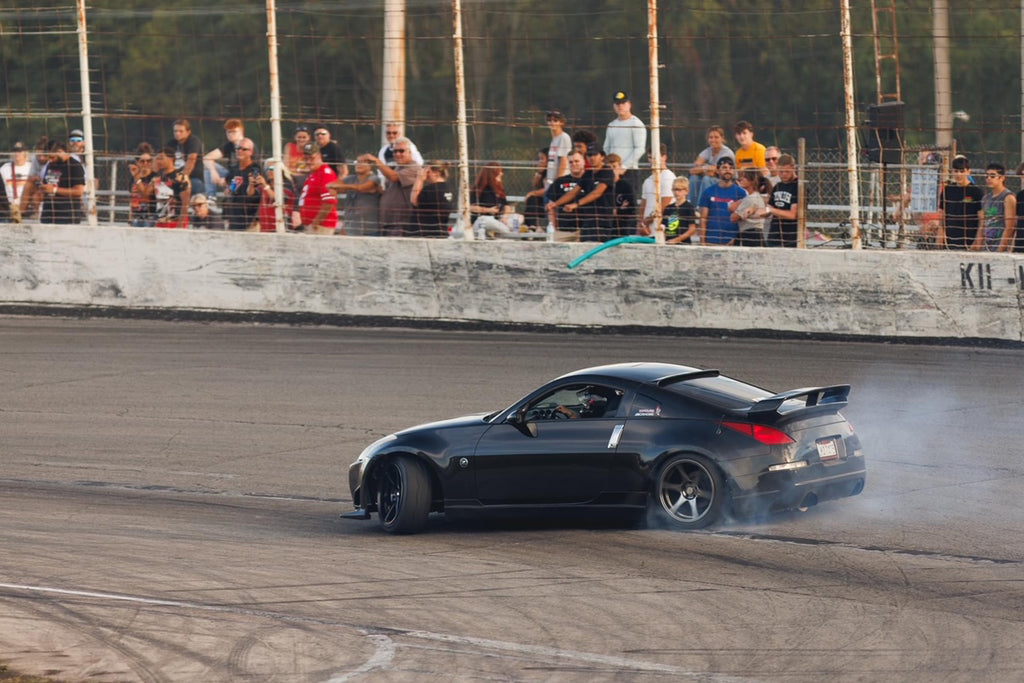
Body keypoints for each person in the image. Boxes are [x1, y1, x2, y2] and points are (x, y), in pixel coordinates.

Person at [559, 144, 614, 242]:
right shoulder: (587, 174)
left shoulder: (607, 171)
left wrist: (576, 204)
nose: (591, 158)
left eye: (594, 155)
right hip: (588, 219)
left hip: (602, 219)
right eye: (589, 155)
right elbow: (574, 191)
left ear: (602, 156)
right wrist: (555, 204)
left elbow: (597, 192)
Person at [371, 137, 420, 237]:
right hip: (387, 222)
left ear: (410, 153)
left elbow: (394, 177)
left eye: (401, 151)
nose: (397, 154)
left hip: (401, 223)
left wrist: (376, 161)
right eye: (395, 151)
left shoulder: (414, 168)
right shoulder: (397, 168)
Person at [938, 155, 984, 250]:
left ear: (968, 172)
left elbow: (981, 220)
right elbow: (942, 215)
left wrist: (977, 241)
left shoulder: (975, 191)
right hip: (949, 240)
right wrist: (940, 234)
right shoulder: (948, 190)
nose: (959, 174)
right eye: (956, 171)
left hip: (968, 240)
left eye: (962, 171)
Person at [330, 154, 382, 236]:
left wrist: (341, 187)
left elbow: (361, 188)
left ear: (370, 166)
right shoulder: (351, 178)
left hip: (369, 230)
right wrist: (334, 188)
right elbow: (332, 185)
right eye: (357, 162)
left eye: (363, 162)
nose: (359, 164)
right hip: (350, 228)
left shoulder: (374, 179)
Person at [698, 157, 745, 246]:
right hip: (711, 242)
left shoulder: (741, 193)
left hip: (732, 243)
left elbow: (743, 220)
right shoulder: (708, 192)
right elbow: (703, 219)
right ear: (717, 171)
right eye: (724, 167)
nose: (728, 170)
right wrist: (703, 243)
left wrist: (736, 239)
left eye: (731, 168)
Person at [604, 90, 646, 190]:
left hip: (629, 171)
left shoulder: (636, 124)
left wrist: (623, 167)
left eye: (623, 103)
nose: (620, 106)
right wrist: (610, 166)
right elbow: (606, 147)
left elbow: (640, 149)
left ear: (629, 104)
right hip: (612, 171)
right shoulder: (612, 125)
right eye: (617, 103)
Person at [38, 139, 86, 225]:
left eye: (52, 157)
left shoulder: (75, 166)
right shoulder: (51, 164)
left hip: (67, 216)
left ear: (60, 152)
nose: (50, 160)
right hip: (48, 214)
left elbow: (78, 191)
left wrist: (55, 190)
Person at [203, 118, 257, 194]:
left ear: (241, 132)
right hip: (230, 175)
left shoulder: (248, 146)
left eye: (234, 132)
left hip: (244, 178)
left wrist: (227, 180)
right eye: (229, 132)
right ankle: (211, 198)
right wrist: (213, 172)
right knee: (208, 168)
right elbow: (207, 158)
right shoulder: (229, 145)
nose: (231, 134)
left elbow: (251, 169)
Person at [297, 142, 339, 234]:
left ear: (319, 156)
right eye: (306, 159)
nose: (308, 162)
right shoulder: (314, 173)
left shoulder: (325, 174)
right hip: (311, 224)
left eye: (312, 158)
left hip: (321, 226)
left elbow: (329, 202)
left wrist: (315, 223)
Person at [545, 151, 587, 241]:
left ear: (583, 162)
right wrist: (553, 228)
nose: (574, 164)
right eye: (571, 162)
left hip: (585, 229)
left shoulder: (591, 181)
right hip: (563, 230)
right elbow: (551, 207)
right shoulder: (559, 182)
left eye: (577, 161)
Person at [222, 138, 262, 231]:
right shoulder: (233, 169)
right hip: (233, 219)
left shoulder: (255, 169)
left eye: (244, 149)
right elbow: (229, 189)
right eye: (238, 148)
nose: (240, 151)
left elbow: (256, 194)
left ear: (251, 152)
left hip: (250, 220)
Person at [689, 126, 734, 205]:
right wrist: (706, 169)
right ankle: (692, 206)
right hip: (713, 178)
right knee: (694, 178)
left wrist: (702, 170)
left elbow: (716, 172)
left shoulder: (726, 153)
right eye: (711, 137)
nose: (713, 140)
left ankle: (702, 206)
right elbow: (692, 170)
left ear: (722, 138)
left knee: (706, 179)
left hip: (725, 181)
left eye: (716, 137)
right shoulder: (708, 151)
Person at [638, 143, 676, 235]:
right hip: (647, 231)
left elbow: (664, 205)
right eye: (650, 157)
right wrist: (641, 225)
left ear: (664, 157)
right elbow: (643, 206)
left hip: (662, 229)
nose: (652, 161)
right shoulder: (648, 180)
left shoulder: (668, 177)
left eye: (655, 157)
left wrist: (646, 222)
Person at [764, 154, 801, 247]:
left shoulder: (798, 187)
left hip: (791, 238)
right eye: (781, 172)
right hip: (774, 235)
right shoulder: (778, 186)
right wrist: (754, 210)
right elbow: (768, 209)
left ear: (794, 168)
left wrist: (772, 210)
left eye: (787, 171)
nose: (784, 174)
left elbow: (793, 214)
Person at [411, 160, 455, 238]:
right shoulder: (448, 188)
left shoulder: (431, 189)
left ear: (437, 172)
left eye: (427, 171)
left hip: (426, 232)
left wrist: (419, 179)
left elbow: (414, 200)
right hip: (441, 231)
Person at [153, 145, 191, 228]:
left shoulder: (180, 177)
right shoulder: (158, 177)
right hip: (161, 220)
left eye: (161, 158)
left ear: (171, 159)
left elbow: (185, 202)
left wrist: (181, 223)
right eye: (157, 158)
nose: (159, 161)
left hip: (175, 220)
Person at [469, 162, 511, 239]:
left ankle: (497, 231)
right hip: (482, 220)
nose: (501, 174)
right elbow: (471, 207)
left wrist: (505, 216)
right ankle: (505, 230)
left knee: (519, 217)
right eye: (499, 172)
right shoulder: (479, 188)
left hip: (497, 220)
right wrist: (488, 210)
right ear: (493, 174)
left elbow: (507, 206)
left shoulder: (499, 189)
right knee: (488, 221)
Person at [981, 162, 1015, 252]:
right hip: (986, 247)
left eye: (992, 176)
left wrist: (1000, 250)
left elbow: (1010, 227)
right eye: (986, 176)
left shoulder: (1008, 197)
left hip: (999, 248)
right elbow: (982, 224)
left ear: (1002, 178)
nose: (989, 179)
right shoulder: (985, 198)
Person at [255, 163, 299, 233]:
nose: (269, 171)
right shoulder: (265, 186)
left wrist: (265, 185)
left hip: (282, 229)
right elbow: (251, 194)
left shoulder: (287, 186)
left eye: (272, 168)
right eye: (267, 169)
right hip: (265, 229)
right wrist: (251, 184)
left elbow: (278, 198)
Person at [730, 169, 767, 246]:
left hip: (750, 235)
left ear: (752, 181)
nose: (741, 179)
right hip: (756, 234)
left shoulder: (751, 198)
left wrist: (736, 207)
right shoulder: (754, 196)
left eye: (744, 177)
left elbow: (733, 218)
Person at [169, 119, 205, 196]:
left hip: (193, 178)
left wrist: (183, 176)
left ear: (188, 132)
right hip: (174, 178)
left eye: (181, 131)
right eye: (175, 131)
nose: (177, 133)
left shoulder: (193, 141)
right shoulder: (171, 143)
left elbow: (191, 160)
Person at [18, 137, 50, 221]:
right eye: (38, 155)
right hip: (39, 184)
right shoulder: (35, 160)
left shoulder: (51, 161)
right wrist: (38, 178)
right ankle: (21, 212)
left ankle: (36, 215)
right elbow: (30, 178)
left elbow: (48, 179)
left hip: (49, 186)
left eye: (43, 155)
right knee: (28, 185)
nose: (41, 158)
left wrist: (38, 178)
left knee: (37, 195)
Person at [128, 143, 159, 227]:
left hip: (150, 216)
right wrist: (130, 218)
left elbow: (145, 194)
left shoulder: (155, 176)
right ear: (137, 162)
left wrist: (137, 178)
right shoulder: (133, 178)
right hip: (136, 216)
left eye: (149, 161)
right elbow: (132, 199)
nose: (146, 163)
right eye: (142, 161)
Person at [606, 153, 636, 238]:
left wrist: (618, 211)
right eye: (609, 167)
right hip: (607, 227)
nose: (611, 170)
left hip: (623, 226)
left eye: (614, 166)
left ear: (619, 167)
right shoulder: (602, 186)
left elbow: (632, 207)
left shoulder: (625, 185)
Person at [1, 142, 31, 223]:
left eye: (20, 151)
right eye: (15, 151)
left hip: (27, 207)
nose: (17, 154)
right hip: (10, 207)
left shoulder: (30, 167)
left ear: (25, 153)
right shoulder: (5, 168)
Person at [662, 176, 697, 244]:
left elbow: (692, 229)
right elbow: (664, 227)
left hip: (684, 243)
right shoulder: (668, 208)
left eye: (680, 190)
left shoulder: (689, 207)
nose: (676, 192)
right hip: (668, 241)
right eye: (675, 190)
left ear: (686, 191)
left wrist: (677, 239)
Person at [523, 148, 549, 228]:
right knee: (532, 200)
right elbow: (535, 185)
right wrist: (539, 173)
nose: (540, 161)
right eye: (539, 159)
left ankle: (532, 226)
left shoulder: (552, 172)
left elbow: (547, 189)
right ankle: (530, 226)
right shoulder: (541, 173)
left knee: (532, 197)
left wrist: (532, 193)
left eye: (542, 159)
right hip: (540, 201)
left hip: (548, 200)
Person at [545, 110, 572, 187]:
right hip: (551, 180)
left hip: (560, 181)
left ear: (561, 122)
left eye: (555, 120)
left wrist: (557, 181)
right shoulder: (554, 139)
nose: (552, 123)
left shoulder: (564, 137)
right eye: (549, 120)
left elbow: (563, 161)